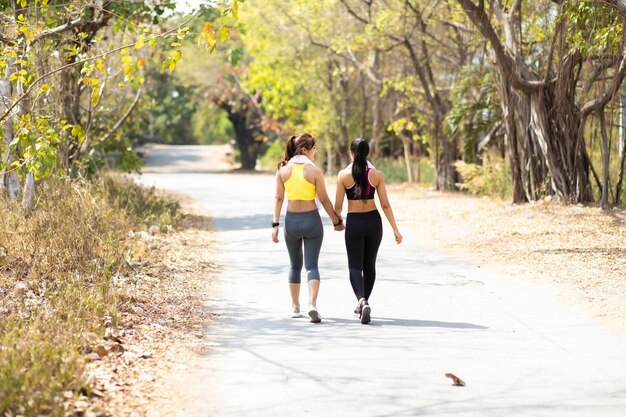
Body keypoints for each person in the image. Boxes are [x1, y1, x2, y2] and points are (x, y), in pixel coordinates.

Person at [272, 133, 344, 323]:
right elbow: (325, 199)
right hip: (312, 221)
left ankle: (295, 307)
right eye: (313, 148)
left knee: (294, 265)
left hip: (291, 222)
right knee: (311, 265)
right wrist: (336, 221)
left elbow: (278, 198)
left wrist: (275, 225)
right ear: (305, 149)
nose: (316, 151)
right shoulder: (315, 171)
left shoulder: (283, 171)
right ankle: (312, 304)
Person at [334, 137, 402, 324]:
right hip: (374, 221)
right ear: (368, 153)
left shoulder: (342, 176)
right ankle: (365, 302)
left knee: (355, 266)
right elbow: (385, 205)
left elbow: (338, 207)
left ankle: (361, 300)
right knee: (369, 265)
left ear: (351, 153)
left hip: (354, 223)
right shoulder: (377, 175)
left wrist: (337, 222)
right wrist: (395, 229)